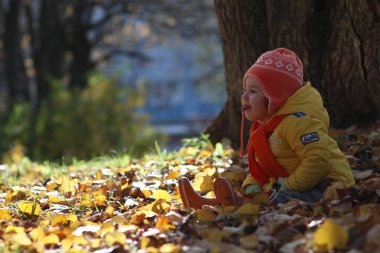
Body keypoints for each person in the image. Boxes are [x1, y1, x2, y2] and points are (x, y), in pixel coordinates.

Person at [178, 48, 355, 208]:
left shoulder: (298, 122)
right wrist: (252, 187)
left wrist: (289, 184)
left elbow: (318, 159)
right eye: (245, 90)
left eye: (253, 91)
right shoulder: (263, 129)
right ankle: (207, 203)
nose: (244, 96)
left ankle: (236, 204)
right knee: (268, 196)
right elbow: (262, 167)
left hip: (330, 185)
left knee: (279, 198)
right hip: (297, 183)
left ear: (275, 97)